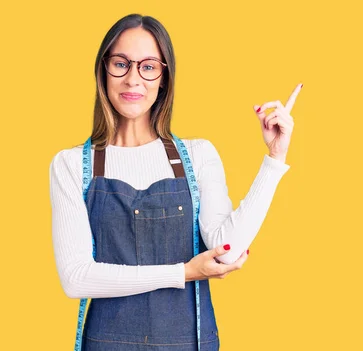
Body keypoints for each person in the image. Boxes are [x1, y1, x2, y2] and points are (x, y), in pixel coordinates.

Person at [49, 13, 301, 351]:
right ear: (103, 71)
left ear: (164, 77)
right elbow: (76, 278)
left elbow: (226, 252)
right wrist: (183, 273)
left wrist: (274, 159)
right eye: (121, 64)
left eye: (148, 66)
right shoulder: (70, 165)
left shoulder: (198, 156)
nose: (133, 79)